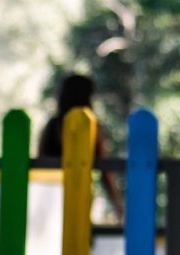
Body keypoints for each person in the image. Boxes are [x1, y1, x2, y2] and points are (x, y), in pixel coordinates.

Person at [38, 74, 124, 222]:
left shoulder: (52, 126)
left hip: (47, 199)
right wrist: (117, 204)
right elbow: (105, 171)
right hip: (79, 198)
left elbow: (40, 163)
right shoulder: (93, 127)